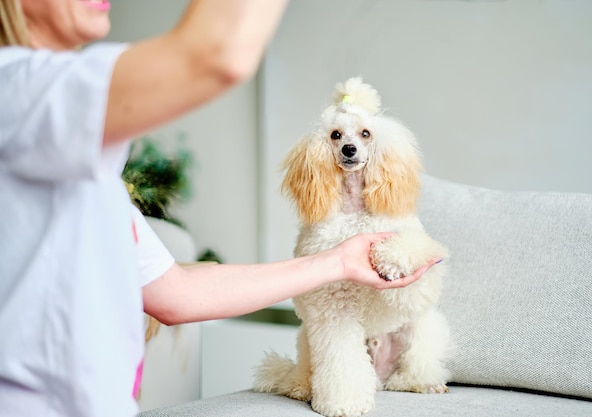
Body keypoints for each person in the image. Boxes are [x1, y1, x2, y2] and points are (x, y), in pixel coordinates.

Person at [0, 1, 439, 416]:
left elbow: (178, 295)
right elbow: (215, 52)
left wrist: (340, 260)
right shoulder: (15, 87)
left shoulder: (89, 182)